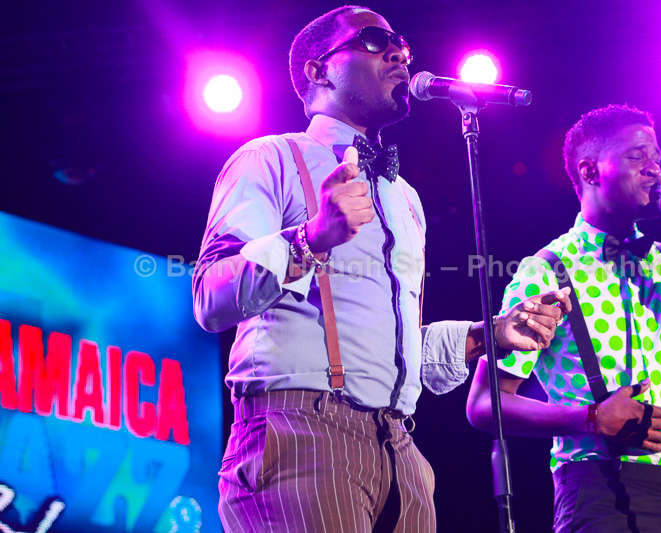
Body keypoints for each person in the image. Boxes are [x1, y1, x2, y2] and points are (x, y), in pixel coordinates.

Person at [192, 6, 569, 532]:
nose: (398, 53)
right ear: (318, 71)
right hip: (300, 433)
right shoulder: (270, 158)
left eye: (402, 45)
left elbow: (401, 349)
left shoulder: (404, 198)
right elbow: (210, 297)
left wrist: (492, 335)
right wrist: (310, 238)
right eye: (373, 41)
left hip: (400, 449)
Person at [466, 104, 661, 532]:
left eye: (657, 157)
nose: (655, 169)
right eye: (637, 156)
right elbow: (484, 403)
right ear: (590, 171)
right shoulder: (548, 269)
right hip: (595, 489)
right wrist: (590, 419)